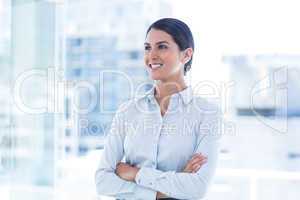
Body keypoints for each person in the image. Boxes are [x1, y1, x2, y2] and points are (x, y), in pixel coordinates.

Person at [95, 18, 222, 200]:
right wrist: (167, 189)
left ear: (186, 55)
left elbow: (197, 188)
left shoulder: (207, 114)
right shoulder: (128, 111)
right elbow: (102, 180)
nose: (151, 56)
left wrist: (135, 173)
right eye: (147, 48)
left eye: (162, 47)